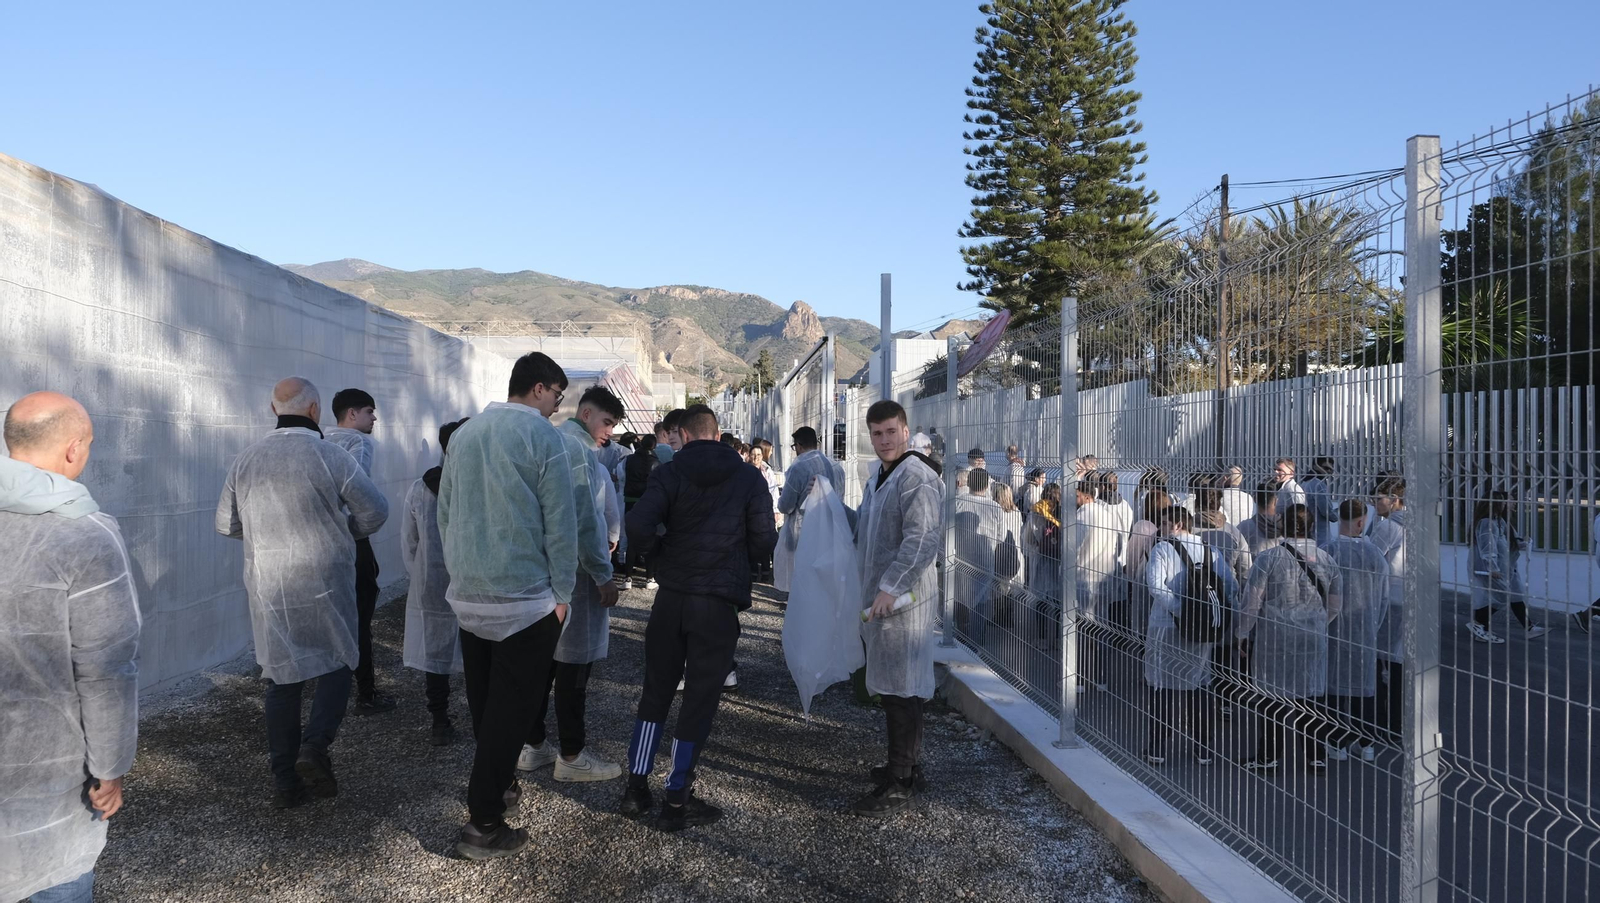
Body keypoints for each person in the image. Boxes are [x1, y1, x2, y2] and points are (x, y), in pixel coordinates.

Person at [437, 353, 598, 859]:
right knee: (512, 710)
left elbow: (446, 513)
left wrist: (461, 573)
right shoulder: (542, 437)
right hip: (526, 598)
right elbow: (562, 520)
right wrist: (563, 596)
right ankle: (483, 822)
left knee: (486, 703)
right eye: (555, 394)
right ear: (536, 388)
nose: (556, 406)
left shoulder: (464, 435)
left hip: (470, 592)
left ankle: (502, 785)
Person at [215, 377, 389, 808]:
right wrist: (344, 534)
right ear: (314, 410)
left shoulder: (245, 460)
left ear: (274, 410)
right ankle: (316, 746)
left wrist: (266, 539)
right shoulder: (330, 454)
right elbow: (375, 510)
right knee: (338, 659)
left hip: (269, 581)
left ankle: (285, 784)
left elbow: (227, 524)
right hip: (326, 575)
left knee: (280, 676)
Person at [1, 393, 141, 903]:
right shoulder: (86, 536)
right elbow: (106, 669)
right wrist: (110, 768)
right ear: (73, 450)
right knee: (54, 880)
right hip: (47, 785)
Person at [619, 405, 777, 830]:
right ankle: (676, 798)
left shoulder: (668, 474)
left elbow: (638, 524)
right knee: (699, 701)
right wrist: (738, 557)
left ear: (684, 437)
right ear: (718, 432)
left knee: (655, 691)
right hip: (718, 603)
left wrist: (661, 554)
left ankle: (636, 786)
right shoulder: (749, 477)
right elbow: (764, 540)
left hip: (671, 598)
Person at [517, 386, 625, 783]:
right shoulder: (578, 453)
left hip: (540, 573)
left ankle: (532, 744)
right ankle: (572, 754)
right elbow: (585, 522)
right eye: (607, 422)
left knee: (541, 665)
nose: (609, 432)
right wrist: (603, 574)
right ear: (587, 413)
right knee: (572, 668)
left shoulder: (546, 441)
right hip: (574, 576)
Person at [851, 400, 943, 817]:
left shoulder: (916, 477)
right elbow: (870, 531)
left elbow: (922, 540)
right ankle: (905, 765)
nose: (884, 440)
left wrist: (890, 587)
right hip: (884, 599)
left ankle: (901, 779)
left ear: (906, 431)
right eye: (877, 433)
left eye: (890, 432)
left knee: (900, 691)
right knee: (896, 689)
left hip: (904, 601)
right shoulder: (882, 477)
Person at [1236, 504, 1343, 772]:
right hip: (1312, 636)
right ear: (1310, 526)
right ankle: (1315, 755)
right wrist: (1317, 622)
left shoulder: (1268, 558)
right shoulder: (1327, 560)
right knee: (1311, 697)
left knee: (1272, 697)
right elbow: (1335, 604)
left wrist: (1242, 632)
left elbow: (1252, 602)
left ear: (1283, 525)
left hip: (1275, 636)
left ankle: (1269, 756)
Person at [1143, 506, 1238, 766]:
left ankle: (1158, 747)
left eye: (1164, 523)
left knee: (1163, 685)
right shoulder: (1212, 552)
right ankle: (1203, 748)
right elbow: (1231, 586)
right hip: (1203, 628)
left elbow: (1154, 585)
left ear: (1176, 525)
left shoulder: (1162, 549)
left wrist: (1181, 610)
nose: (1161, 529)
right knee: (1200, 684)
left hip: (1166, 626)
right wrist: (1209, 615)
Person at [324, 388, 395, 716]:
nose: (374, 418)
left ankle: (329, 692)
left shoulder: (320, 442)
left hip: (321, 545)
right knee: (359, 619)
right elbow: (359, 492)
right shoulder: (358, 443)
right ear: (351, 415)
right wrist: (352, 532)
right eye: (369, 411)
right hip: (351, 544)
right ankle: (365, 694)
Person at [401, 418, 469, 746]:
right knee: (481, 652)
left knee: (437, 654)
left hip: (432, 583)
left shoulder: (420, 488)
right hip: (477, 584)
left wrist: (421, 577)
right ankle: (485, 717)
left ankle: (439, 720)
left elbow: (409, 543)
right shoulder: (480, 485)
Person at [1324, 499, 1392, 762]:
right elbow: (1384, 599)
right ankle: (1366, 743)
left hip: (1334, 629)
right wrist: (1374, 623)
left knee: (1333, 686)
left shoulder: (1328, 551)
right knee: (1365, 686)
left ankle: (1335, 741)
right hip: (1365, 629)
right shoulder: (1375, 555)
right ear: (1362, 522)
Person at [1467, 490, 1547, 643]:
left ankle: (1483, 627)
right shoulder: (1488, 522)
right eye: (1507, 500)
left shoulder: (1500, 521)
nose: (1511, 503)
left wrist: (1522, 543)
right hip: (1491, 569)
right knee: (1501, 596)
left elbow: (1506, 544)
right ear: (1497, 504)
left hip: (1506, 567)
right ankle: (1478, 624)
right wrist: (1492, 568)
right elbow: (1488, 547)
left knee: (1508, 596)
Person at [775, 426, 846, 594]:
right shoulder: (832, 465)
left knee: (800, 579)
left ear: (798, 445)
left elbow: (786, 505)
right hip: (827, 529)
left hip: (801, 530)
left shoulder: (798, 467)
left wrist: (780, 503)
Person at [954, 469, 1004, 643]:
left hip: (960, 557)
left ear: (968, 483)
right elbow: (1001, 537)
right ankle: (976, 640)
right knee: (980, 600)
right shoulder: (994, 507)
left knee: (959, 596)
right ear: (986, 485)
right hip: (984, 559)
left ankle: (960, 635)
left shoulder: (957, 502)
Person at [1123, 489, 1172, 648]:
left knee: (1143, 623)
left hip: (1144, 579)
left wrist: (1130, 575)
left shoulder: (1143, 526)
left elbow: (1132, 555)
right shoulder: (1169, 529)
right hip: (1167, 583)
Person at [620, 433, 661, 590]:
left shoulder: (629, 459)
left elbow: (622, 477)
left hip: (630, 501)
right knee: (650, 540)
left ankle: (627, 578)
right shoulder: (657, 463)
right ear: (654, 446)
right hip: (648, 503)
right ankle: (649, 578)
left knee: (631, 540)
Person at [1023, 482, 1064, 603]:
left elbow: (1027, 538)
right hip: (1058, 559)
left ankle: (1040, 620)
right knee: (1056, 598)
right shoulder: (1063, 512)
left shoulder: (1036, 510)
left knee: (1039, 597)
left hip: (1040, 556)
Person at [749, 444, 781, 584]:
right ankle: (754, 571)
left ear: (763, 456)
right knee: (751, 540)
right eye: (753, 454)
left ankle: (766, 571)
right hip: (750, 510)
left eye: (758, 455)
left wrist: (776, 510)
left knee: (765, 539)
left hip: (766, 509)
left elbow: (774, 492)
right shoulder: (745, 470)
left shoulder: (767, 471)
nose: (756, 458)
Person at [1236, 481, 1282, 557]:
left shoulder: (1245, 527)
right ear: (1276, 501)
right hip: (1281, 567)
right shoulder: (1287, 527)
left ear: (1254, 499)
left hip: (1255, 567)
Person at [1303, 457, 1339, 548]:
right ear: (1315, 467)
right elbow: (1326, 511)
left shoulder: (1304, 482)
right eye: (1325, 468)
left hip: (1306, 531)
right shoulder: (1318, 484)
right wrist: (1340, 512)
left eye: (1331, 469)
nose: (1329, 472)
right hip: (1320, 535)